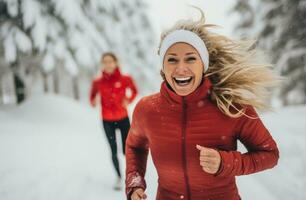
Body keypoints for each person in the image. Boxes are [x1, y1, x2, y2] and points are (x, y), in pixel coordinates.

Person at [125, 9, 280, 200]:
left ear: (203, 64)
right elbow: (135, 146)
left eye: (191, 58)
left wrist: (226, 163)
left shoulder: (230, 106)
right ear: (163, 67)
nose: (181, 68)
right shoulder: (147, 109)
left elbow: (270, 154)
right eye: (172, 59)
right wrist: (134, 183)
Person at [90, 52, 138, 190]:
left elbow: (134, 91)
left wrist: (128, 100)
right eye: (105, 61)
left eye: (110, 61)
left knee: (127, 149)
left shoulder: (125, 79)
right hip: (107, 121)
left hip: (123, 119)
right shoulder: (97, 82)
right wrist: (93, 101)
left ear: (116, 62)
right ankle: (118, 177)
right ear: (102, 64)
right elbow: (92, 95)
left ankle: (131, 176)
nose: (108, 64)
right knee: (113, 150)